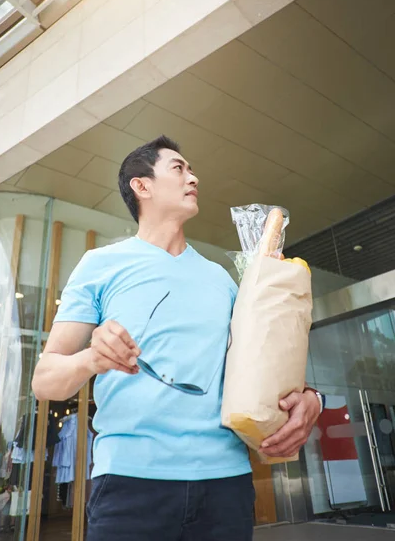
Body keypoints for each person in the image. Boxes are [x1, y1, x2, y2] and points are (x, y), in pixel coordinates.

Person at [32, 136, 322, 541]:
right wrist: (92, 360)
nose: (193, 177)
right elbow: (44, 380)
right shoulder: (100, 265)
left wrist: (311, 398)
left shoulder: (223, 281)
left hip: (226, 485)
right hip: (130, 486)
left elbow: (264, 363)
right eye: (179, 168)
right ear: (142, 185)